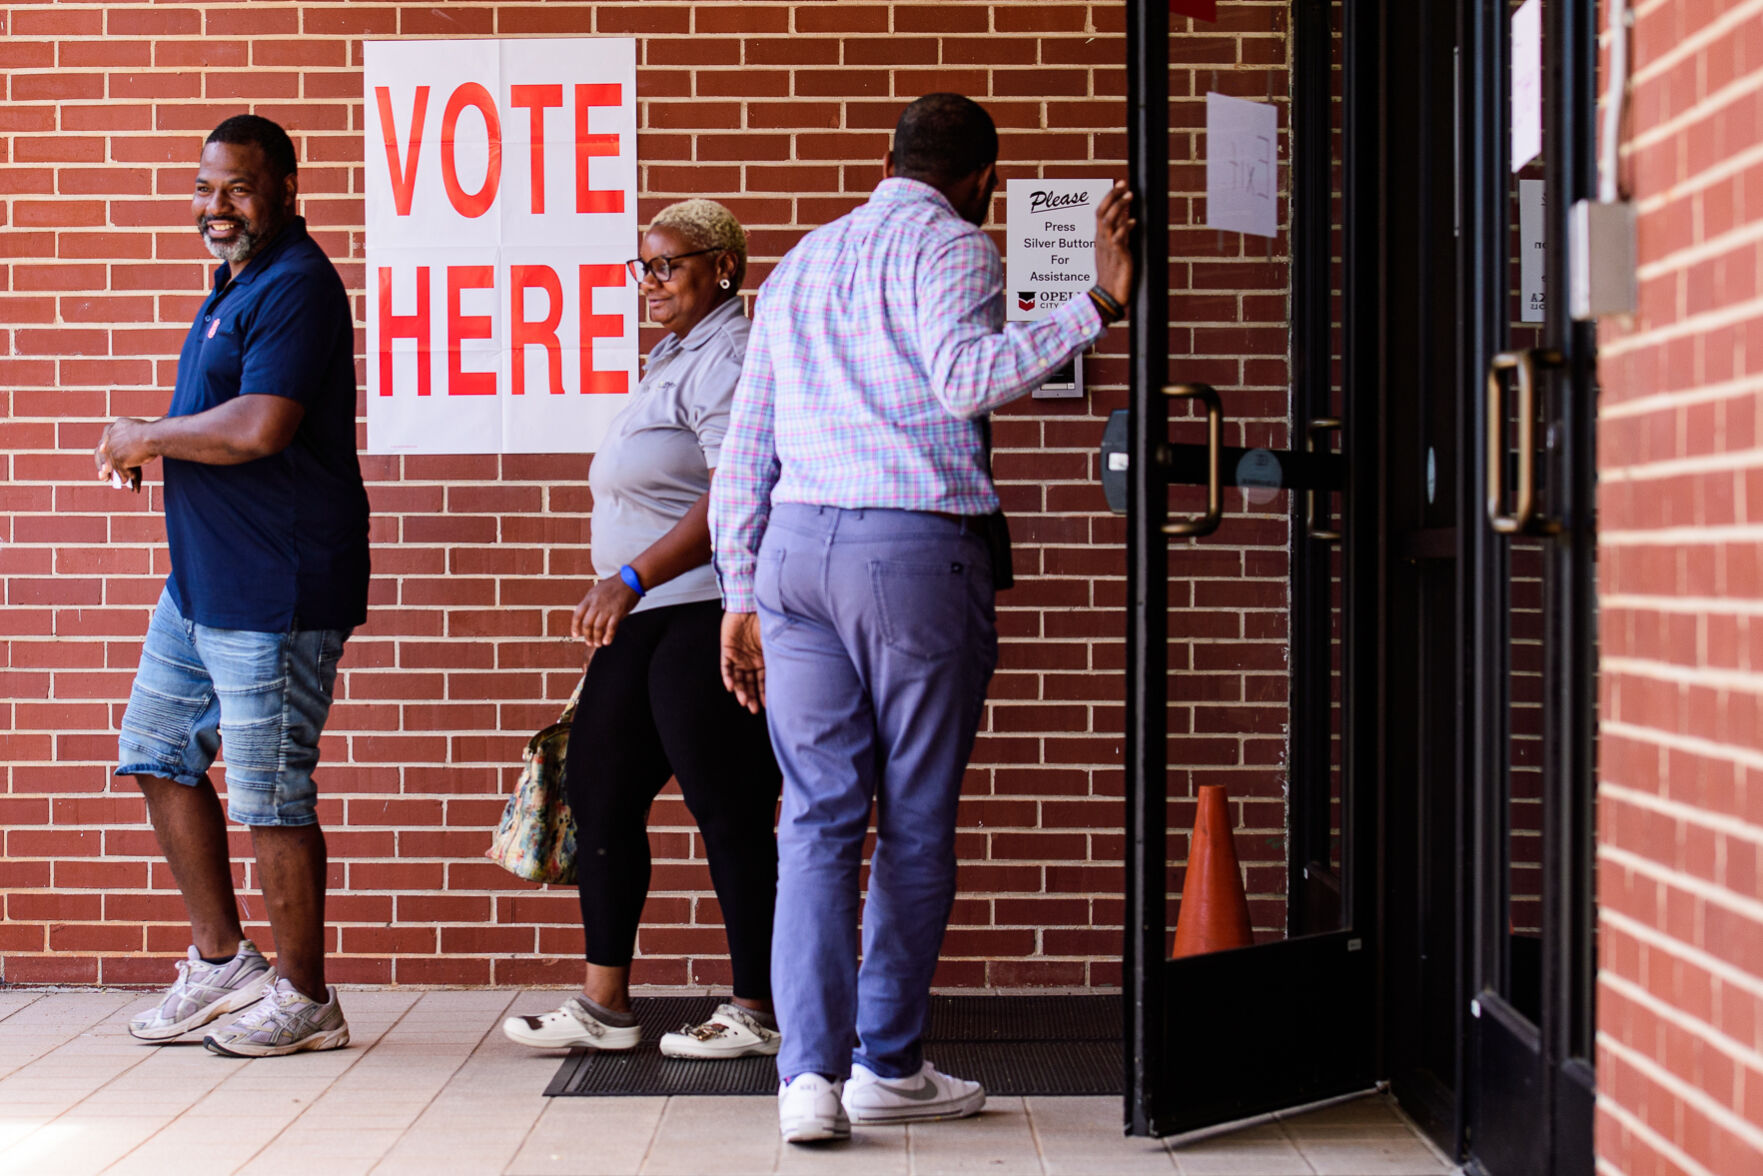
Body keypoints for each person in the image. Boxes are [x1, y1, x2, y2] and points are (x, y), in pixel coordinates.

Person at [710, 93, 1137, 1142]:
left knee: (811, 818)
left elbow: (745, 441)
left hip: (795, 555)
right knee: (909, 818)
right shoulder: (957, 247)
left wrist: (738, 587)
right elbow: (962, 381)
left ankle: (805, 1080)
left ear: (884, 159)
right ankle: (885, 1065)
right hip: (906, 552)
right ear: (982, 180)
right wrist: (1097, 303)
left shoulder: (805, 259)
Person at [95, 114, 370, 1057]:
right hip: (203, 584)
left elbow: (260, 428)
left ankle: (305, 998)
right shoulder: (238, 281)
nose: (218, 206)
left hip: (276, 587)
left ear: (287, 189)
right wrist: (157, 438)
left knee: (270, 793)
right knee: (156, 751)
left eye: (239, 188)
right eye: (207, 186)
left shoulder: (297, 285)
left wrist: (147, 435)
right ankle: (221, 962)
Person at [501, 200, 785, 1060]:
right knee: (599, 791)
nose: (649, 282)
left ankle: (755, 1008)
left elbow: (736, 486)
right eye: (644, 266)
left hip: (704, 609)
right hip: (649, 616)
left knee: (729, 807)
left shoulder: (728, 357)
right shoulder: (672, 359)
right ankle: (605, 1003)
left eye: (669, 265)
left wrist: (630, 576)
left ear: (723, 268)